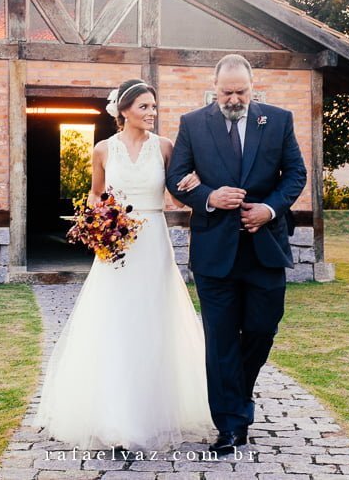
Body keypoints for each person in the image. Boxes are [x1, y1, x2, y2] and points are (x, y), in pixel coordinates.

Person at [35, 79, 214, 451]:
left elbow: (178, 193)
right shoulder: (103, 150)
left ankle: (154, 410)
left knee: (154, 319)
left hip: (153, 243)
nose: (151, 113)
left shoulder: (164, 147)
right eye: (144, 107)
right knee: (115, 320)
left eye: (153, 107)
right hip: (116, 247)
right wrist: (97, 224)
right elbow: (95, 193)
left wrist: (195, 183)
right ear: (124, 111)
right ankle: (114, 415)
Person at [165, 54, 308, 454]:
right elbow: (176, 177)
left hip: (266, 248)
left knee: (263, 328)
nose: (233, 98)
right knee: (221, 341)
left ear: (252, 85)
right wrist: (210, 196)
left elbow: (296, 173)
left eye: (240, 91)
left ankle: (238, 394)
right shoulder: (193, 124)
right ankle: (230, 424)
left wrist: (270, 208)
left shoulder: (278, 120)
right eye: (226, 91)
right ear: (215, 88)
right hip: (215, 252)